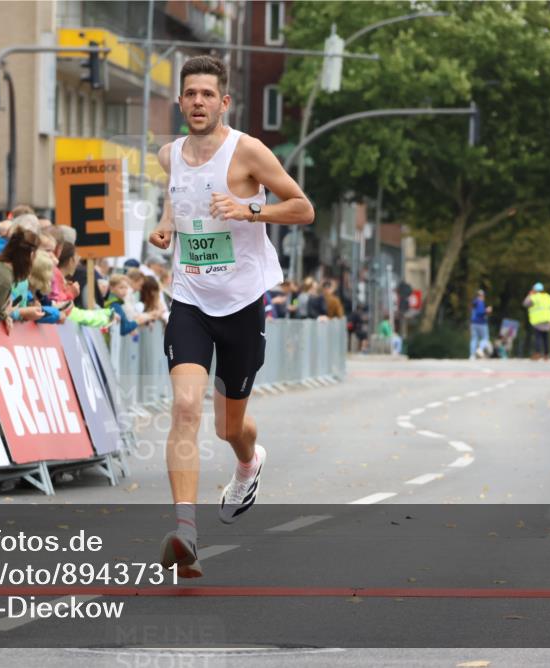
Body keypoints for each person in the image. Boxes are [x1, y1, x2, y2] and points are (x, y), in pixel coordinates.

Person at [147, 55, 314, 577]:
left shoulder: (248, 152)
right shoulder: (168, 155)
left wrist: (251, 210)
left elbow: (303, 207)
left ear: (224, 102)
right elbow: (181, 195)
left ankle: (249, 462)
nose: (197, 101)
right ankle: (185, 532)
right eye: (189, 93)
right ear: (180, 102)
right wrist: (167, 223)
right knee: (186, 407)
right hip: (191, 300)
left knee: (228, 426)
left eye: (207, 94)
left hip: (241, 303)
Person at [523, 282, 550, 360]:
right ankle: (547, 354)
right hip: (547, 319)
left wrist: (529, 295)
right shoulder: (548, 296)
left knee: (538, 337)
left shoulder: (534, 297)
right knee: (546, 337)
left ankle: (537, 353)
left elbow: (525, 304)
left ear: (534, 289)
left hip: (538, 320)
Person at [469, 288, 492, 359]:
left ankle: (472, 355)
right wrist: (487, 311)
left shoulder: (474, 302)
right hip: (481, 323)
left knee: (474, 339)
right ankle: (480, 349)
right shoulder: (480, 302)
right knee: (485, 338)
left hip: (473, 323)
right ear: (482, 296)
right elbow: (480, 312)